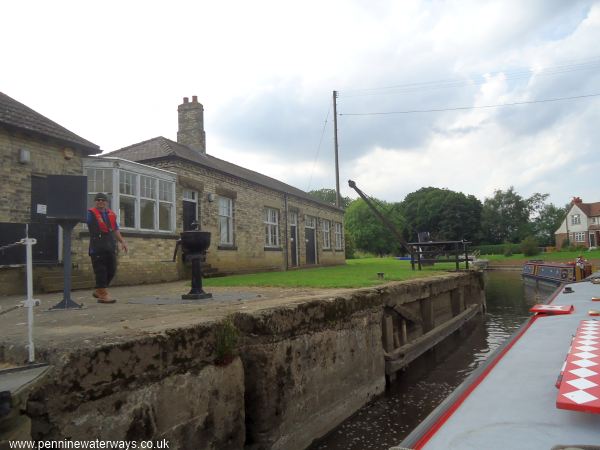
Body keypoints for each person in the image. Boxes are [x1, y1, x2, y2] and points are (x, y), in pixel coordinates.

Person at [87, 193, 128, 303]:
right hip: (97, 247)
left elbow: (115, 230)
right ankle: (103, 295)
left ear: (106, 202)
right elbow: (81, 219)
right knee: (101, 271)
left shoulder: (111, 214)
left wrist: (122, 241)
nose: (100, 202)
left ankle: (99, 290)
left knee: (112, 269)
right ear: (95, 202)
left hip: (110, 246)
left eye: (103, 200)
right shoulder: (90, 214)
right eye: (98, 200)